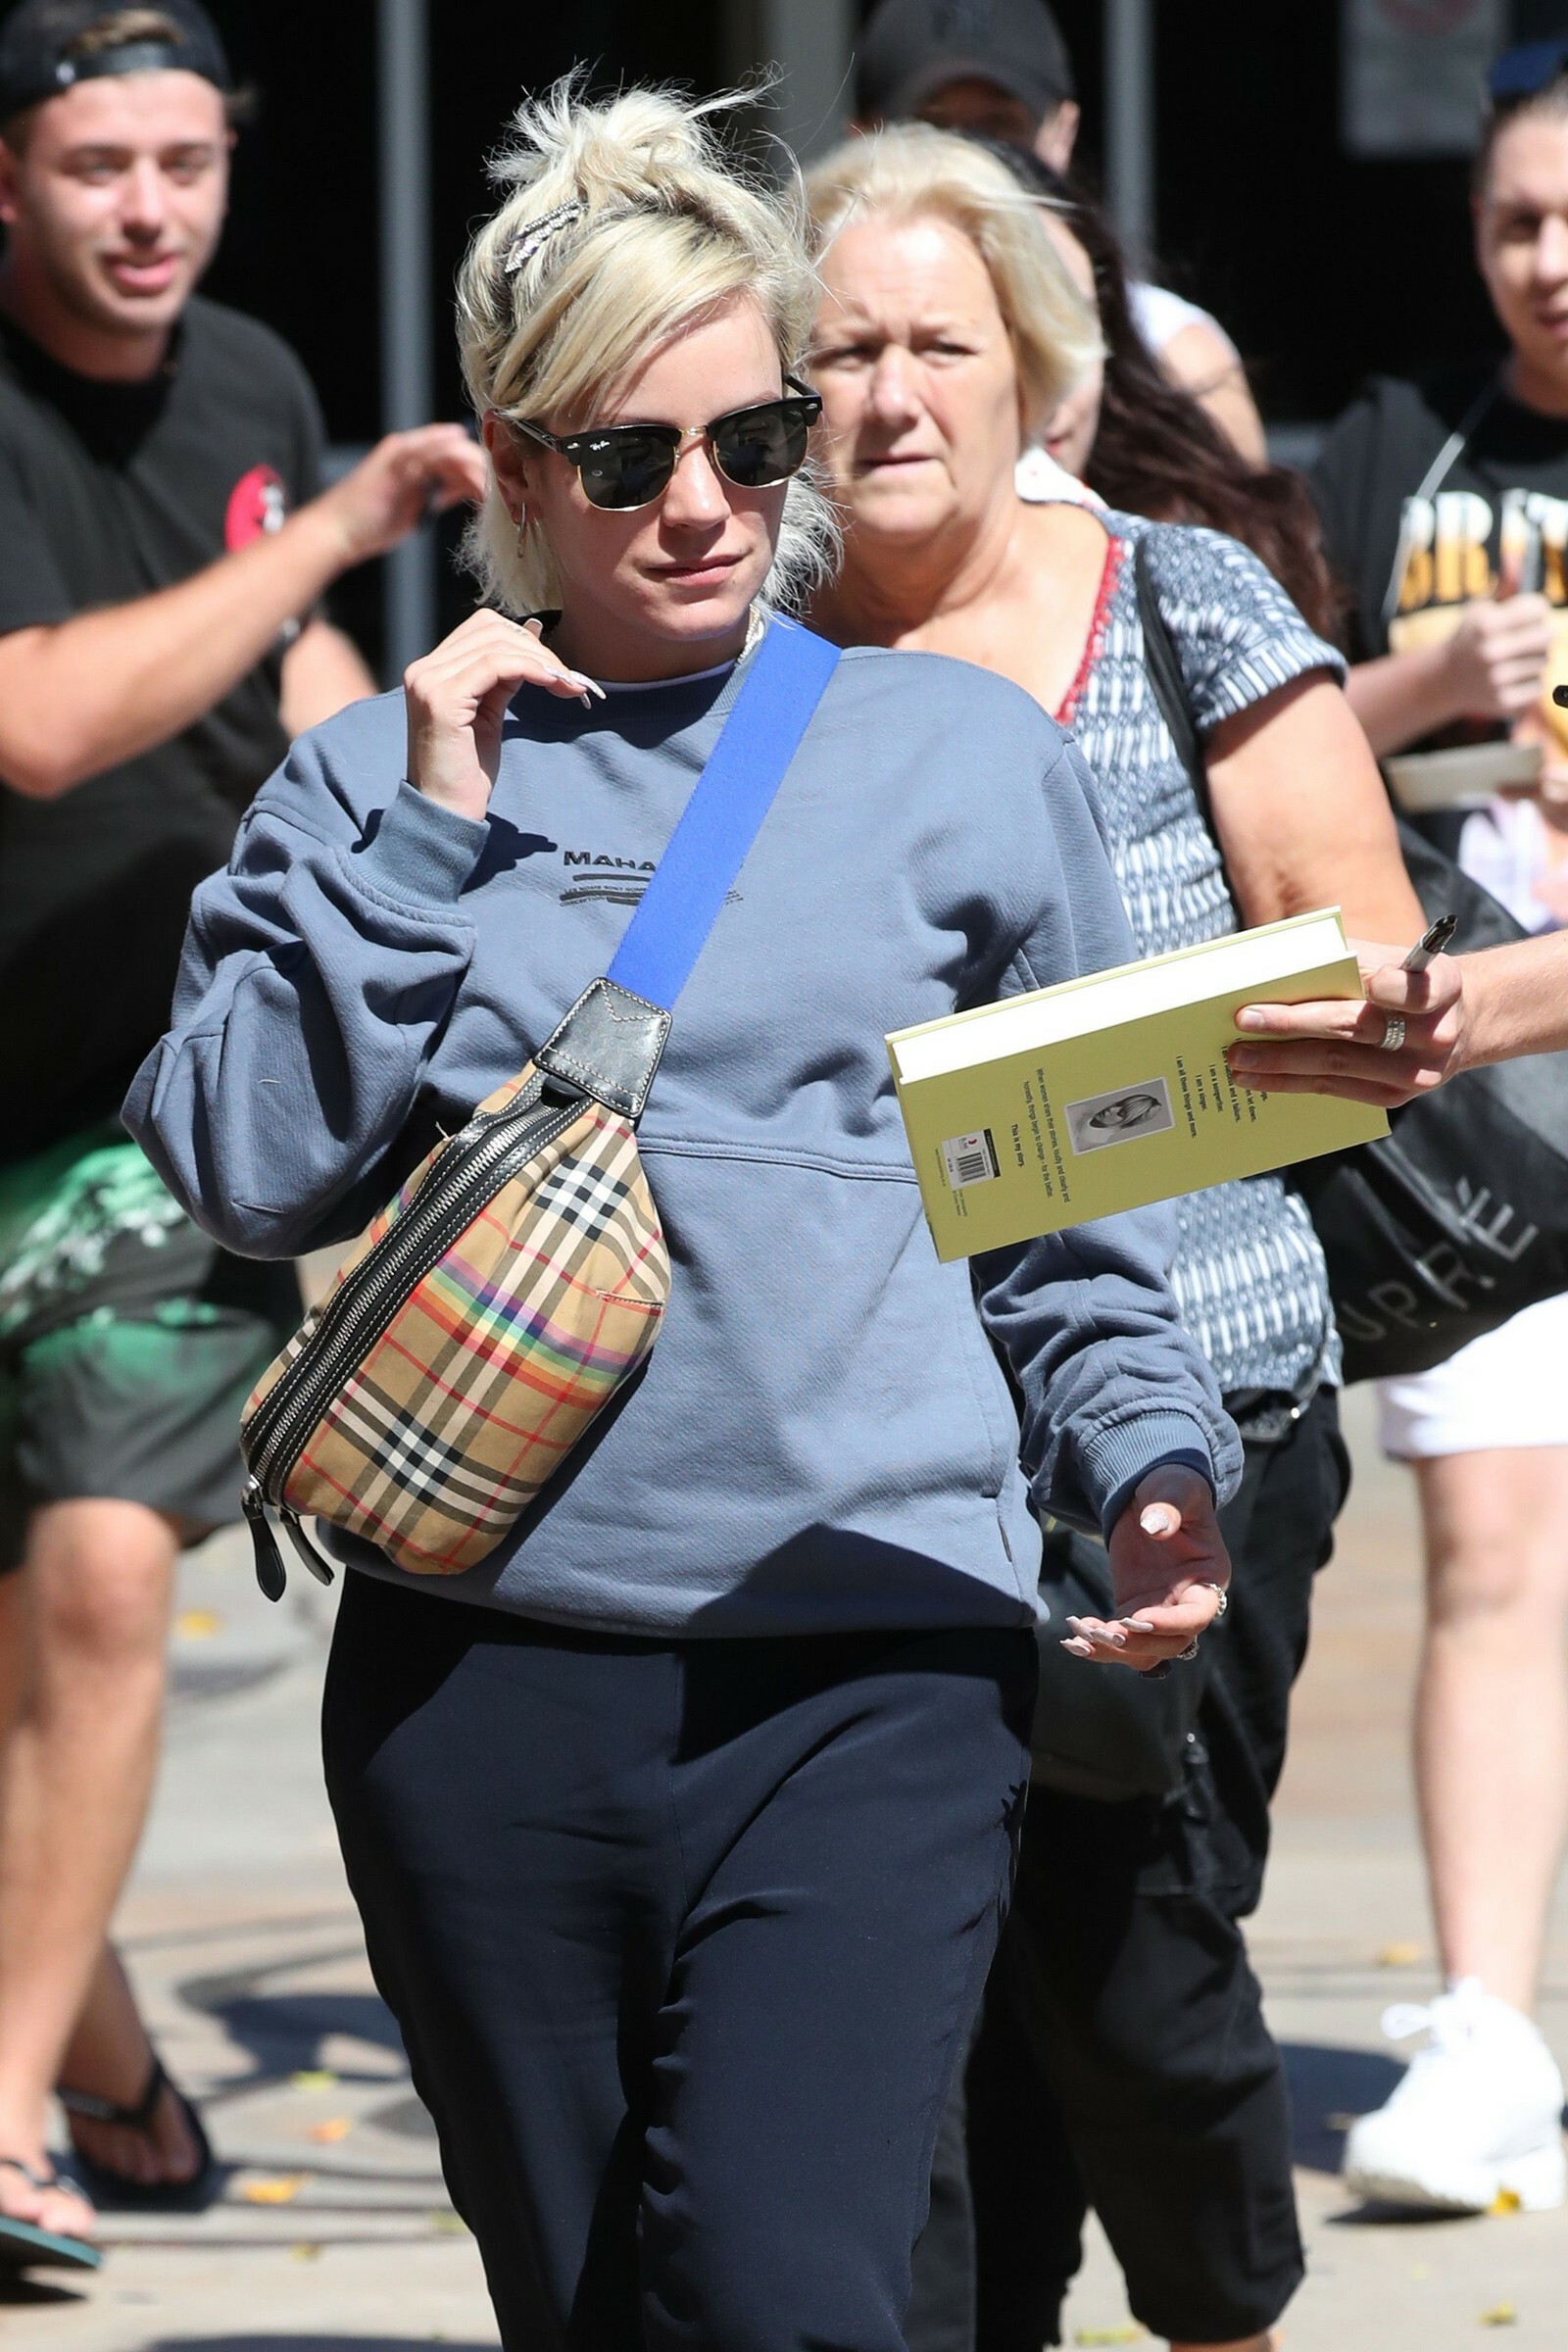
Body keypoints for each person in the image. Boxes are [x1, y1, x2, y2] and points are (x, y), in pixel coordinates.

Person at [123, 77, 1241, 2350]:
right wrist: (426, 837)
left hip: (873, 1647)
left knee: (779, 2285)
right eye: (631, 457)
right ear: (516, 468)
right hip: (478, 1680)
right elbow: (238, 1164)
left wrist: (1144, 1459)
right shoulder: (362, 783)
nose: (709, 503)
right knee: (587, 2311)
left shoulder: (957, 761)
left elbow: (1074, 1227)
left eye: (757, 437)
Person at [801, 121, 1427, 2352]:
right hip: (866, 1442)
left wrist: (1008, 1111)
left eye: (937, 344)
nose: (889, 393)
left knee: (1134, 1974)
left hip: (1195, 1402)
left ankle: (1210, 2310)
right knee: (914, 2002)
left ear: (1035, 371)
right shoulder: (745, 647)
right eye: (841, 349)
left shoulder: (1180, 593)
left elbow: (1362, 982)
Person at [0, 0, 485, 2259]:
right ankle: (98, 2051)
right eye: (99, 165)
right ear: (8, 178)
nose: (148, 211)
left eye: (185, 163)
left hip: (168, 1100)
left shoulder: (255, 381)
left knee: (107, 1569)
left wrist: (446, 810)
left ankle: (7, 2111)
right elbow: (42, 720)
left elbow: (286, 701)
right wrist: (345, 531)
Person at [1299, 32, 1568, 2215]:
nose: (1547, 257)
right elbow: (1276, 742)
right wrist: (1429, 693)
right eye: (1514, 219)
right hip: (1491, 1081)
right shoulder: (1400, 444)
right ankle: (1488, 2028)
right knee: (1488, 1550)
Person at [855, 0, 1267, 463]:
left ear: (1062, 132)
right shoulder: (817, 331)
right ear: (862, 141)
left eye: (999, 127)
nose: (971, 162)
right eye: (933, 131)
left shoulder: (1176, 357)